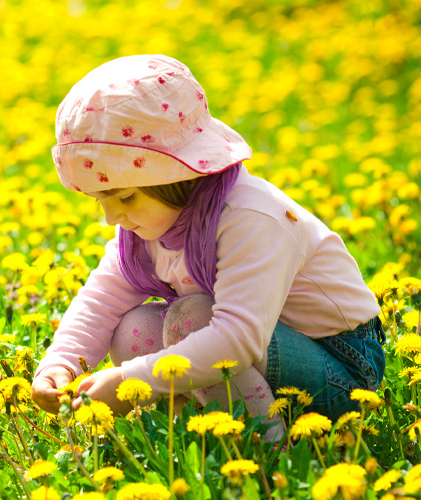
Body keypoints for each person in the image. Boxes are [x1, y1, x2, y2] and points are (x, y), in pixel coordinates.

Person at [31, 55, 384, 430]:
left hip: (341, 372)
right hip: (267, 359)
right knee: (133, 329)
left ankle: (263, 450)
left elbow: (236, 339)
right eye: (99, 200)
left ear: (176, 174)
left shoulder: (250, 217)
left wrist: (133, 380)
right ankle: (204, 428)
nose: (111, 217)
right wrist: (60, 364)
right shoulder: (146, 229)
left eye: (126, 197)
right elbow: (100, 302)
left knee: (196, 320)